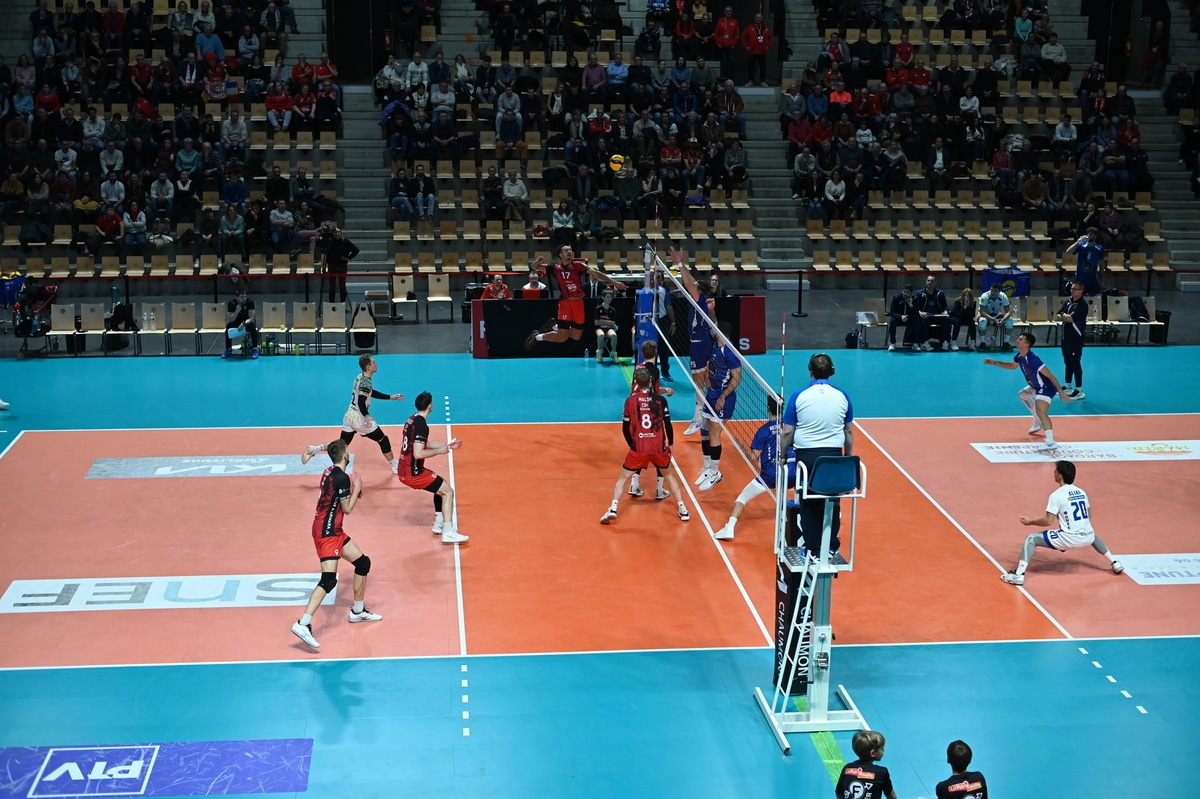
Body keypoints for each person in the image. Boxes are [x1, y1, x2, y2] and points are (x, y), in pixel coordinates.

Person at [290, 438, 381, 649]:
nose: (349, 455)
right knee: (329, 580)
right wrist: (357, 487)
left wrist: (353, 491)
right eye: (347, 452)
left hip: (334, 530)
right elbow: (347, 508)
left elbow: (339, 503)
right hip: (327, 533)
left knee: (363, 563)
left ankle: (357, 611)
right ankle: (303, 623)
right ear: (344, 456)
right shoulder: (342, 478)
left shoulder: (329, 472)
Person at [1000, 460, 1124, 585]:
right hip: (1087, 536)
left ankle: (1018, 575)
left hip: (1068, 538)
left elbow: (1048, 521)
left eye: (1055, 471)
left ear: (1060, 476)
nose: (1054, 473)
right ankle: (1115, 562)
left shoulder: (1056, 495)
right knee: (1091, 534)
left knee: (1031, 539)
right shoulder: (1082, 492)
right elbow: (1089, 514)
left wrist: (1030, 522)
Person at [780, 352, 852, 563]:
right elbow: (848, 431)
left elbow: (786, 432)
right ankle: (830, 547)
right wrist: (847, 457)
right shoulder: (843, 396)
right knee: (832, 501)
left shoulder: (799, 396)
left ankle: (812, 549)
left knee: (808, 504)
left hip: (807, 459)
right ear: (832, 372)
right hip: (833, 458)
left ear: (810, 371)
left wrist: (783, 456)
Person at [600, 366, 691, 524]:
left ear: (636, 382)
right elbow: (667, 424)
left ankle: (613, 508)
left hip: (639, 447)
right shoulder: (660, 400)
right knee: (669, 475)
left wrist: (632, 445)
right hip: (658, 447)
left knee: (622, 479)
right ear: (651, 381)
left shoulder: (630, 401)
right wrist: (671, 443)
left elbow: (624, 428)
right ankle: (683, 509)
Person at [303, 354, 406, 472]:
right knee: (383, 439)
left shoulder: (360, 377)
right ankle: (394, 466)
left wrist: (390, 397)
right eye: (373, 363)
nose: (376, 363)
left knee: (342, 444)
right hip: (360, 419)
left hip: (349, 416)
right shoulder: (366, 382)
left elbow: (369, 392)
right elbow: (362, 400)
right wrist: (367, 416)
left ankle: (315, 449)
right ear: (368, 367)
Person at [714, 396, 792, 541]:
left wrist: (741, 449)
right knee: (804, 493)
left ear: (768, 408)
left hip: (770, 475)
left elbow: (753, 457)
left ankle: (729, 529)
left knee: (742, 498)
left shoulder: (763, 431)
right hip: (791, 471)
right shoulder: (791, 427)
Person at [524, 244, 628, 350]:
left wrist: (614, 282)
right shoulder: (555, 268)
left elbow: (596, 273)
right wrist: (537, 262)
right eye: (566, 250)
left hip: (578, 303)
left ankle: (554, 326)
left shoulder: (578, 266)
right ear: (560, 254)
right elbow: (534, 267)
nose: (569, 251)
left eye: (570, 249)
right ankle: (537, 337)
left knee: (576, 336)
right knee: (562, 338)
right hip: (565, 303)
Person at [397, 391, 468, 544]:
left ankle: (439, 524)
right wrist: (438, 452)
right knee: (448, 492)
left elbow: (424, 443)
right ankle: (448, 532)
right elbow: (418, 453)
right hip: (413, 473)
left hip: (403, 470)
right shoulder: (422, 426)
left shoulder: (411, 420)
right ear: (430, 406)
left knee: (439, 485)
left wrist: (446, 445)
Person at [983, 332, 1071, 451]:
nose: (1017, 340)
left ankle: (1051, 442)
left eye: (1020, 339)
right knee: (1023, 395)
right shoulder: (1019, 356)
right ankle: (1038, 420)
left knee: (1041, 410)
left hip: (1045, 387)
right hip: (1036, 387)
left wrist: (1060, 391)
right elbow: (1012, 366)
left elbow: (1049, 375)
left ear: (1026, 344)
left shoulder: (1033, 359)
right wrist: (995, 363)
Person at [695, 321, 741, 491]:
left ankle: (715, 473)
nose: (711, 331)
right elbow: (714, 323)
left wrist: (722, 397)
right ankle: (707, 468)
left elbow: (737, 379)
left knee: (714, 432)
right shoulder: (716, 343)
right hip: (712, 393)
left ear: (720, 333)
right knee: (704, 431)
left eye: (715, 330)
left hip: (724, 398)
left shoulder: (730, 353)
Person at [834, 730, 898, 799]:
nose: (883, 750)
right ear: (873, 753)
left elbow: (839, 794)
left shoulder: (847, 768)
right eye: (882, 748)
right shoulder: (882, 772)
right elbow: (891, 796)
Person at [1057, 281, 1088, 401]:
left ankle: (1079, 390)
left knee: (1075, 363)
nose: (1072, 291)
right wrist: (1064, 315)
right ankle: (1068, 386)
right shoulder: (1068, 301)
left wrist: (1064, 315)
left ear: (1081, 291)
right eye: (1072, 288)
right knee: (1067, 362)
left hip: (1075, 339)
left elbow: (1070, 319)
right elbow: (1058, 314)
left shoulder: (1082, 305)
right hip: (1065, 338)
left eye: (1075, 289)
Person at [321, 224, 358, 303]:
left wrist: (348, 257)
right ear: (333, 233)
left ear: (341, 233)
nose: (337, 234)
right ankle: (331, 303)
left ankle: (342, 303)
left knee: (342, 285)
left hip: (342, 265)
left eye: (338, 232)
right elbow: (320, 244)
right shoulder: (330, 242)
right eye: (335, 232)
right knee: (332, 286)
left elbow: (356, 250)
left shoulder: (345, 241)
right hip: (332, 265)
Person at [913, 274, 950, 351]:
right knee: (925, 319)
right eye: (928, 281)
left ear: (935, 282)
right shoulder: (920, 293)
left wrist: (945, 312)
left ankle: (945, 342)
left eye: (931, 281)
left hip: (937, 316)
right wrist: (919, 312)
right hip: (925, 316)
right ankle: (924, 343)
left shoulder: (940, 293)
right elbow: (915, 307)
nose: (929, 282)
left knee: (947, 319)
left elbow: (945, 307)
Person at [1064, 227, 1105, 295]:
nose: (1089, 236)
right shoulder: (1081, 245)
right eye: (1088, 234)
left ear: (1095, 236)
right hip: (1080, 279)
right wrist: (1077, 242)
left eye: (1091, 234)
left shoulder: (1099, 248)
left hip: (1092, 279)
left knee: (1094, 299)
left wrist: (1102, 280)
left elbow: (1101, 265)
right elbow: (1068, 251)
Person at [223, 286, 260, 358]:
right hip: (236, 321)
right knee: (228, 326)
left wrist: (244, 324)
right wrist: (236, 311)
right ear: (237, 298)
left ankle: (255, 349)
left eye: (245, 297)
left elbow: (252, 318)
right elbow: (230, 319)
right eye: (242, 297)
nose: (244, 299)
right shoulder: (231, 303)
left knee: (252, 325)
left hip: (247, 322)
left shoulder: (250, 302)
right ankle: (228, 349)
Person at [977, 282, 1014, 350]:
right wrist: (993, 319)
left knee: (1010, 321)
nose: (992, 292)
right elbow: (982, 312)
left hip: (997, 315)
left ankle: (1006, 343)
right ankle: (982, 343)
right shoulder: (984, 296)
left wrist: (1002, 320)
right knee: (982, 322)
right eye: (991, 290)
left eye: (995, 291)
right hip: (985, 315)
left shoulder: (1003, 296)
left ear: (999, 291)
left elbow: (1008, 311)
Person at [886, 284, 915, 352]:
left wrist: (911, 305)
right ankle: (892, 343)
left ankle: (915, 343)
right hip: (898, 318)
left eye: (907, 292)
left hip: (909, 318)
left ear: (911, 293)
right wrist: (900, 316)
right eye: (904, 291)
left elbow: (916, 313)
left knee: (917, 321)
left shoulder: (915, 298)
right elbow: (892, 312)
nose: (905, 294)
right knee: (892, 321)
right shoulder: (896, 298)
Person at [594, 287, 618, 363]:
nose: (609, 299)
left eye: (610, 297)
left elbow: (613, 323)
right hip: (599, 328)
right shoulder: (598, 309)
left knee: (614, 335)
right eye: (607, 297)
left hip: (609, 329)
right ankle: (599, 353)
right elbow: (596, 322)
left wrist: (602, 321)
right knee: (601, 335)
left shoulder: (612, 310)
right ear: (603, 298)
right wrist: (608, 322)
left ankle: (613, 354)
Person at [948, 287, 977, 351]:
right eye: (965, 295)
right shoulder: (958, 302)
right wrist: (964, 308)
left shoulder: (973, 303)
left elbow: (972, 315)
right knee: (958, 322)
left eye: (968, 296)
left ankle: (973, 343)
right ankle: (954, 342)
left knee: (971, 322)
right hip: (955, 317)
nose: (966, 297)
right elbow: (958, 315)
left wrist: (968, 307)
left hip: (966, 317)